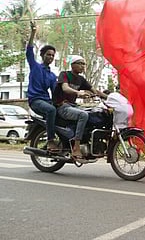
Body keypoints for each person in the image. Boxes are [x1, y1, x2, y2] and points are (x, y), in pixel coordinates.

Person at [52, 55, 107, 159]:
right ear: (73, 65)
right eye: (80, 63)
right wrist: (78, 93)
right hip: (62, 106)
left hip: (73, 106)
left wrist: (109, 97)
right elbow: (65, 88)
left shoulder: (81, 79)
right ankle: (76, 146)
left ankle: (87, 141)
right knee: (83, 115)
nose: (83, 66)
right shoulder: (64, 74)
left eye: (84, 64)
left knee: (94, 114)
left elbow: (94, 90)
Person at [26, 21, 59, 152]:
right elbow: (29, 50)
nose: (50, 57)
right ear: (42, 55)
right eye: (48, 54)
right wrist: (33, 32)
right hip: (35, 101)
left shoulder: (52, 76)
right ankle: (50, 141)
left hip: (47, 100)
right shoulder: (35, 66)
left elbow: (55, 92)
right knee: (51, 110)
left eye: (52, 55)